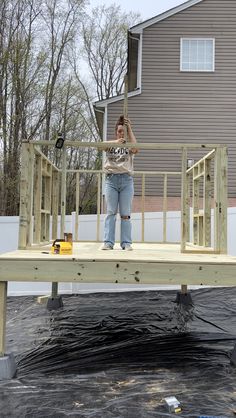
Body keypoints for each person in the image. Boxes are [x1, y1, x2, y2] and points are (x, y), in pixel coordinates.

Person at [102, 115, 138, 251]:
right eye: (119, 131)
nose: (121, 133)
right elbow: (99, 147)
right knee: (111, 212)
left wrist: (130, 129)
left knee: (125, 213)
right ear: (116, 132)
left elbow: (136, 149)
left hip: (126, 181)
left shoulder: (129, 145)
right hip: (111, 180)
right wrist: (116, 141)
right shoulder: (111, 145)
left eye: (123, 131)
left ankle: (126, 243)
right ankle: (108, 242)